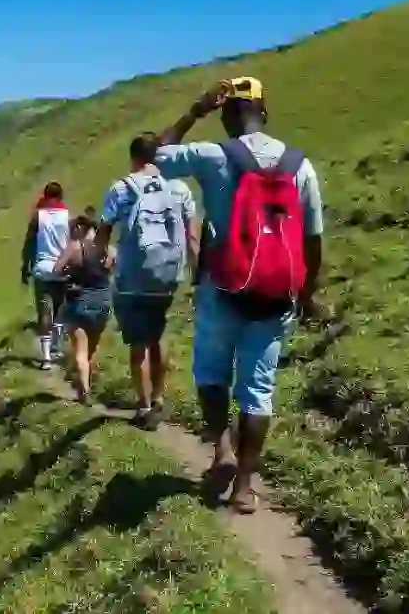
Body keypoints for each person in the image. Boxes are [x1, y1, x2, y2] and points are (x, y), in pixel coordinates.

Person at [152, 76, 325, 514]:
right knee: (258, 390)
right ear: (264, 113)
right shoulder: (300, 166)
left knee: (211, 374)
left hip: (222, 289)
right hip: (275, 296)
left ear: (228, 116)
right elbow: (313, 240)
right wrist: (305, 295)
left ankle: (221, 452)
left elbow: (157, 154)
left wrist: (195, 111)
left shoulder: (214, 155)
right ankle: (245, 487)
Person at [95, 136, 198, 431]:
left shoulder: (121, 189)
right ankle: (159, 396)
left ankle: (143, 406)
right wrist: (194, 268)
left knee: (138, 343)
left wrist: (100, 257)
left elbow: (103, 232)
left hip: (132, 277)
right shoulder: (179, 189)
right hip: (166, 276)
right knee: (158, 333)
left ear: (133, 158)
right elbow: (191, 235)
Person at [53, 213, 114, 403]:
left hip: (80, 301)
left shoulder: (75, 247)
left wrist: (69, 273)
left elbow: (56, 270)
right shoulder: (110, 250)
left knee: (80, 349)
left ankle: (84, 390)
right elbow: (113, 271)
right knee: (92, 349)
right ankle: (88, 385)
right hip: (103, 300)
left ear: (82, 229)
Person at [21, 181, 71, 370]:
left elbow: (28, 245)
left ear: (45, 195)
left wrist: (25, 267)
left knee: (44, 313)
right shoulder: (68, 217)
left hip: (42, 269)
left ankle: (47, 357)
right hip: (61, 269)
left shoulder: (37, 217)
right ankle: (57, 348)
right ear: (61, 196)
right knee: (59, 311)